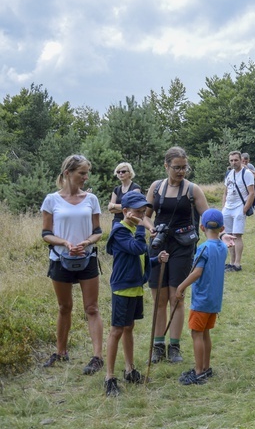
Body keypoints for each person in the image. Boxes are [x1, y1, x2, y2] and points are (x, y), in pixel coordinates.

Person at [145, 146, 211, 364]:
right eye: (177, 168)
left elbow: (207, 215)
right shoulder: (155, 188)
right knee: (159, 299)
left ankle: (174, 346)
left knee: (177, 296)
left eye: (184, 167)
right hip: (158, 246)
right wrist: (151, 228)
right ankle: (157, 346)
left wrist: (215, 232)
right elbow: (144, 216)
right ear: (166, 166)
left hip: (183, 247)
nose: (182, 172)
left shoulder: (193, 190)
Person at [41, 155, 104, 374]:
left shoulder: (91, 199)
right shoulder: (51, 200)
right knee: (64, 307)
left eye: (87, 173)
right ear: (68, 173)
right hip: (60, 259)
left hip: (87, 258)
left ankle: (97, 357)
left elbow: (98, 231)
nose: (85, 178)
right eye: (82, 173)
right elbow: (46, 233)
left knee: (92, 308)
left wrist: (86, 242)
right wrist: (65, 243)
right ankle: (61, 352)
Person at [104, 192, 169, 396]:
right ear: (125, 211)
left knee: (129, 327)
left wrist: (156, 260)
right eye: (138, 212)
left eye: (143, 212)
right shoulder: (120, 231)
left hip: (134, 287)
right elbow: (138, 249)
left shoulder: (132, 229)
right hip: (123, 288)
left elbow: (138, 261)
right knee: (117, 330)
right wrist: (142, 227)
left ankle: (130, 369)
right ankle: (109, 377)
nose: (142, 216)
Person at [176, 209, 228, 385]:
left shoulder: (203, 248)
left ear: (201, 227)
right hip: (214, 300)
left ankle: (198, 372)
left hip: (201, 300)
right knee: (205, 333)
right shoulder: (222, 247)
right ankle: (205, 368)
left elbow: (197, 272)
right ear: (222, 228)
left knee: (196, 334)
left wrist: (181, 286)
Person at [222, 151, 255, 272]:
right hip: (228, 207)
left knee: (237, 235)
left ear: (241, 160)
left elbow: (251, 193)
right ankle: (231, 262)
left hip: (239, 207)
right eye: (231, 160)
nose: (233, 163)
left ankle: (237, 263)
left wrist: (244, 209)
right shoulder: (229, 174)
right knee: (229, 235)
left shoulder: (246, 174)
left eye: (236, 160)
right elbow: (225, 191)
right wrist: (224, 207)